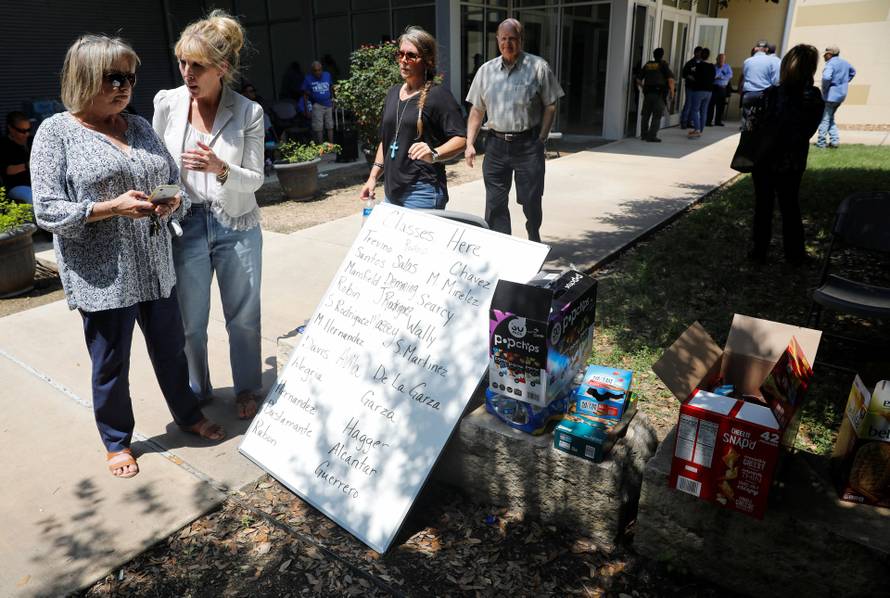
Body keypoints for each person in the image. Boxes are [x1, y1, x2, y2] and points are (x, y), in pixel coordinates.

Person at [30, 34, 226, 479]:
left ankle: (188, 415)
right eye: (112, 77)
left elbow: (172, 179)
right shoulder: (55, 133)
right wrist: (109, 208)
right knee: (111, 363)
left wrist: (173, 201)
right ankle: (117, 441)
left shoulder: (137, 126)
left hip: (155, 266)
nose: (124, 86)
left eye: (130, 77)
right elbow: (47, 211)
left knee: (171, 352)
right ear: (84, 78)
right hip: (102, 275)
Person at [153, 10, 265, 420]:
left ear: (222, 68)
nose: (187, 72)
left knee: (243, 318)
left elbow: (253, 180)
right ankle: (196, 392)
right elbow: (158, 166)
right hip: (186, 226)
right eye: (183, 62)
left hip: (236, 224)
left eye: (197, 65)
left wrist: (220, 168)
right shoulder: (167, 103)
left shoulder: (248, 112)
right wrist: (163, 197)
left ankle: (248, 388)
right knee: (189, 323)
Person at [465, 18, 564, 242]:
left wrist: (542, 137)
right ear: (497, 40)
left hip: (528, 145)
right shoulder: (486, 71)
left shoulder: (538, 67)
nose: (507, 43)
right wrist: (469, 143)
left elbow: (550, 104)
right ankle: (502, 247)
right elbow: (477, 111)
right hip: (495, 146)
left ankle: (533, 233)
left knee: (531, 199)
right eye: (503, 38)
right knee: (495, 203)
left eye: (512, 39)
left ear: (521, 40)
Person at [359, 26, 466, 209]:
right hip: (392, 191)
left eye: (411, 56)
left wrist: (434, 154)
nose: (403, 60)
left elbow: (461, 139)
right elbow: (387, 141)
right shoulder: (393, 93)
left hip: (422, 191)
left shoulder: (437, 95)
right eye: (400, 54)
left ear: (428, 61)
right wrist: (373, 177)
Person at [748, 44, 825, 265]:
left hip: (764, 159)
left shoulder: (771, 94)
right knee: (790, 206)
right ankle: (794, 254)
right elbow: (806, 130)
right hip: (791, 161)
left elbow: (755, 124)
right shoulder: (812, 96)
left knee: (763, 207)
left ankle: (759, 251)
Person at [816, 45, 856, 149]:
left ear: (830, 54)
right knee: (830, 118)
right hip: (841, 95)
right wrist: (844, 82)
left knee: (824, 119)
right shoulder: (845, 63)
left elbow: (826, 77)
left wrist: (825, 88)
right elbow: (853, 72)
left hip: (830, 96)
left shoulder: (830, 64)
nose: (824, 57)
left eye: (825, 54)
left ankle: (821, 143)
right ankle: (834, 141)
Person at [636, 48, 675, 143]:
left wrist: (643, 87)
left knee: (645, 115)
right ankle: (652, 136)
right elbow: (670, 80)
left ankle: (644, 135)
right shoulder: (663, 65)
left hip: (648, 93)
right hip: (659, 94)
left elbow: (638, 80)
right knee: (656, 116)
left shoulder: (648, 64)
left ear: (653, 55)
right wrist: (672, 92)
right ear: (662, 55)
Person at [740, 40, 779, 124]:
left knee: (746, 121)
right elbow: (775, 81)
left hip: (748, 94)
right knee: (761, 121)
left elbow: (744, 76)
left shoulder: (747, 61)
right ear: (766, 49)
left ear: (755, 48)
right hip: (764, 94)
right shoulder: (771, 61)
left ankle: (746, 135)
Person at [1, 111, 32, 203]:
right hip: (16, 186)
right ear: (11, 128)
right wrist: (27, 165)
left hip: (38, 184)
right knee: (31, 198)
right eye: (22, 131)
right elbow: (7, 170)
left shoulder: (32, 141)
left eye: (28, 130)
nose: (26, 134)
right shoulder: (3, 145)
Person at [302, 61, 334, 143]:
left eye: (319, 70)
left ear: (322, 69)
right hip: (317, 105)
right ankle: (321, 146)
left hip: (328, 103)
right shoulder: (308, 78)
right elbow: (305, 95)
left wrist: (333, 100)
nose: (318, 72)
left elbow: (331, 88)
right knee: (318, 127)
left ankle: (331, 145)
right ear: (312, 71)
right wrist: (306, 109)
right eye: (315, 70)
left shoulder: (327, 75)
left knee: (330, 125)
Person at [687, 48, 715, 138]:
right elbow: (713, 77)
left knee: (694, 110)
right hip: (709, 91)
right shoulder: (712, 66)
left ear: (700, 55)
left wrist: (690, 77)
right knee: (704, 111)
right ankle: (700, 130)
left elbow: (695, 77)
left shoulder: (699, 66)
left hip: (699, 90)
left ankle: (697, 129)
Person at [680, 46, 702, 129]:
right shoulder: (690, 63)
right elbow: (684, 74)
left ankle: (690, 121)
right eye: (699, 53)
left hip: (698, 88)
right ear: (695, 53)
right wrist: (690, 77)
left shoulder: (702, 63)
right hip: (690, 87)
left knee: (694, 105)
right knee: (688, 103)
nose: (700, 54)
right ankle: (684, 121)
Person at [707, 53, 732, 126]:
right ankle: (708, 121)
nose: (721, 60)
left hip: (722, 88)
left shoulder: (727, 66)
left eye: (723, 59)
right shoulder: (713, 67)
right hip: (714, 87)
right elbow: (713, 76)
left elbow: (730, 75)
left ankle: (718, 121)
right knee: (711, 105)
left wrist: (721, 77)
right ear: (717, 59)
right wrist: (720, 69)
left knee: (721, 106)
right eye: (720, 58)